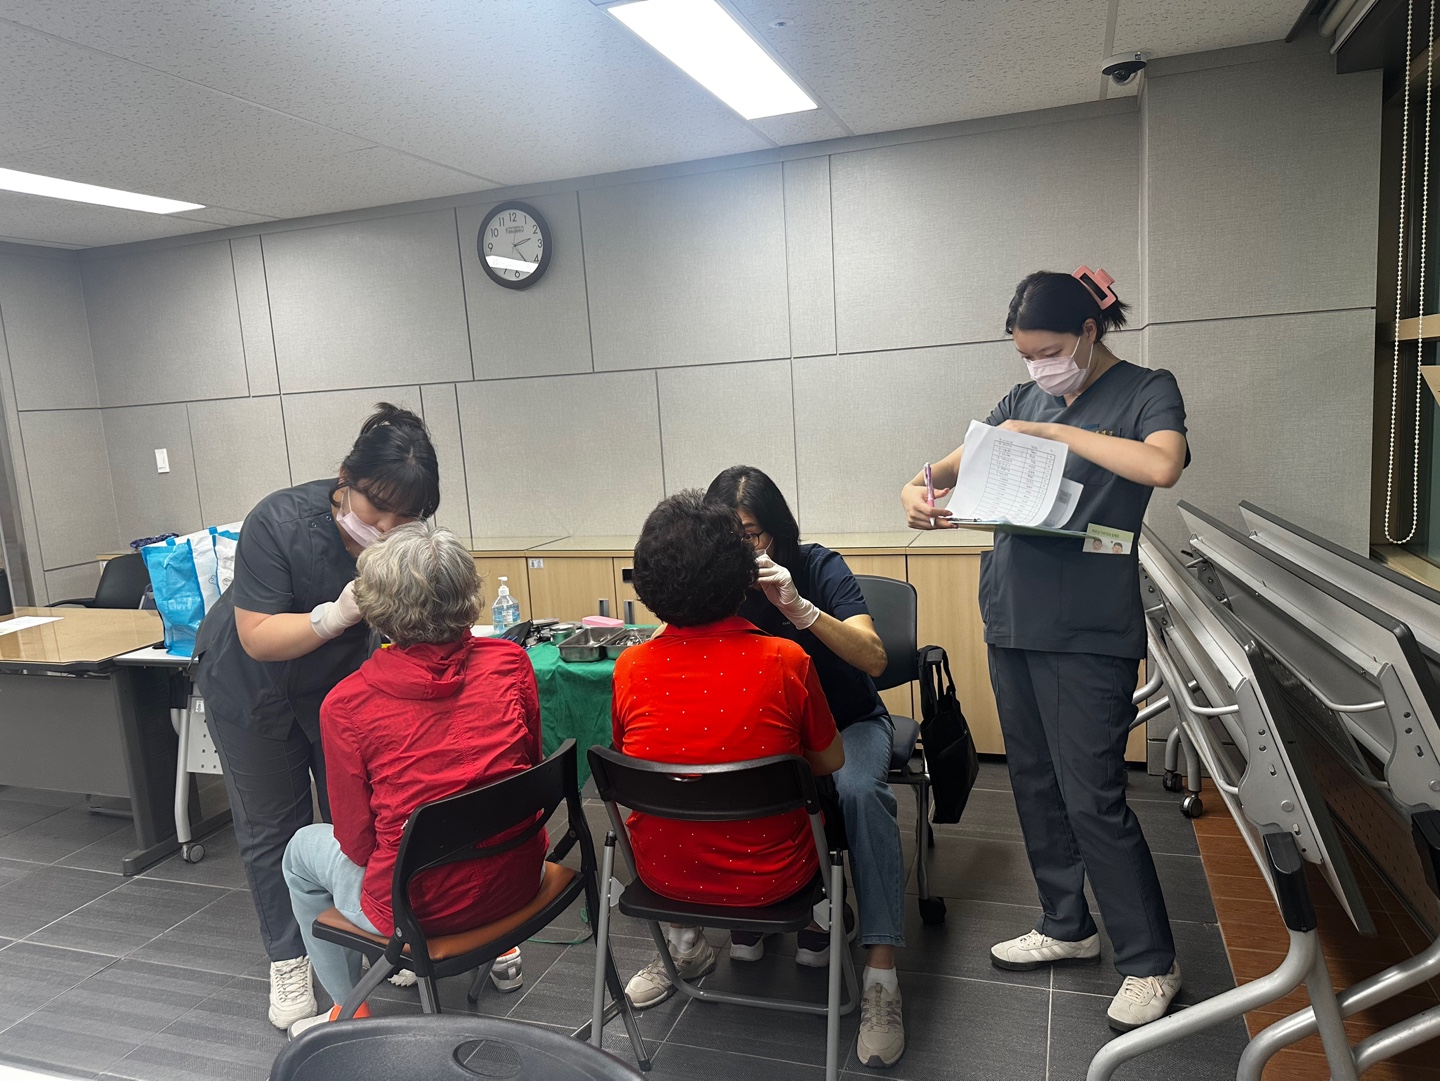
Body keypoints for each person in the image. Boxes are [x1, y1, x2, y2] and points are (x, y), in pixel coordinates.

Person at [900, 268, 1190, 1032]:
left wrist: (1053, 433)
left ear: (1089, 332)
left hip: (1089, 629)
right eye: (1026, 355)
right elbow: (944, 468)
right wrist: (916, 490)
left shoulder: (1147, 390)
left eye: (1050, 351)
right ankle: (1066, 922)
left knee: (1092, 794)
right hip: (1014, 616)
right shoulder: (1019, 400)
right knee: (1033, 782)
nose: (1038, 369)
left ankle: (1151, 961)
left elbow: (1162, 464)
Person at [193, 403, 439, 1029]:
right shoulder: (278, 521)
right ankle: (289, 958)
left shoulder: (403, 535)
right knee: (272, 828)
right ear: (345, 479)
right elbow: (257, 636)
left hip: (338, 691)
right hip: (252, 685)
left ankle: (376, 933)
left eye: (405, 517)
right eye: (376, 508)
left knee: (362, 819)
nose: (385, 527)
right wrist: (335, 616)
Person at [282, 521, 546, 1036]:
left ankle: (348, 1011)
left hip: (419, 911)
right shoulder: (512, 662)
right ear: (467, 592)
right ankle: (501, 947)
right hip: (518, 879)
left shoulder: (346, 705)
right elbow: (527, 772)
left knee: (299, 852)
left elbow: (357, 845)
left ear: (374, 608)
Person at [611, 492, 846, 1011]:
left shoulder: (630, 668)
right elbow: (831, 761)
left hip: (663, 877)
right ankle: (816, 925)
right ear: (744, 576)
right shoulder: (785, 660)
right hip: (774, 876)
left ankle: (686, 946)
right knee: (824, 803)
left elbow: (635, 759)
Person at [707, 465, 909, 1068]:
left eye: (751, 535)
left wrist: (802, 611)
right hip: (770, 731)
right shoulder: (717, 580)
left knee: (859, 792)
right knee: (704, 775)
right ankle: (706, 932)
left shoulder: (819, 567)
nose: (742, 549)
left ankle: (881, 977)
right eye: (727, 536)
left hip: (848, 721)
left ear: (776, 529)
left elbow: (875, 658)